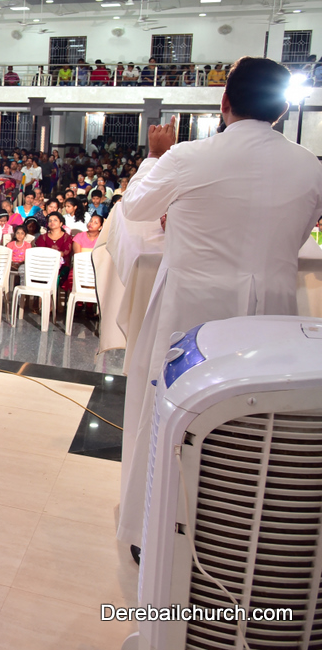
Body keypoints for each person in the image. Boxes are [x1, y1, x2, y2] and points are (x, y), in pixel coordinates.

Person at [116, 57, 322, 556]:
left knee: (176, 414)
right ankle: (234, 540)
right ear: (281, 109)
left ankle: (153, 535)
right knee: (255, 424)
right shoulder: (310, 166)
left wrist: (154, 157)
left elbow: (136, 208)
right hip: (272, 315)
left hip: (192, 309)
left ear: (224, 101)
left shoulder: (189, 155)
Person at [35, 212, 74, 288]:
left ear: (61, 223)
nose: (52, 222)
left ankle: (52, 293)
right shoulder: (42, 237)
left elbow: (65, 252)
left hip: (62, 265)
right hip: (44, 263)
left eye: (55, 220)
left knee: (55, 273)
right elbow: (41, 251)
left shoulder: (67, 237)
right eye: (50, 221)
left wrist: (53, 255)